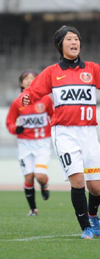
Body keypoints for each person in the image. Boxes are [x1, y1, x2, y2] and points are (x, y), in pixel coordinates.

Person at [20, 25, 100, 239]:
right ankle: (86, 227)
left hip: (89, 134)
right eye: (69, 39)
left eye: (76, 39)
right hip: (64, 133)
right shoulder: (51, 72)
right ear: (61, 44)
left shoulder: (92, 69)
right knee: (78, 182)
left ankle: (93, 215)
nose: (74, 42)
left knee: (96, 188)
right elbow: (31, 92)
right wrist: (26, 98)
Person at [6, 70, 53, 216]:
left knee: (39, 175)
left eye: (33, 78)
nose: (29, 80)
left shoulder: (46, 100)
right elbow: (9, 122)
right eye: (26, 78)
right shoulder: (17, 103)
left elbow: (55, 117)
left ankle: (44, 185)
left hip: (42, 143)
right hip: (24, 144)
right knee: (28, 177)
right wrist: (16, 129)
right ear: (21, 83)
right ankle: (33, 209)